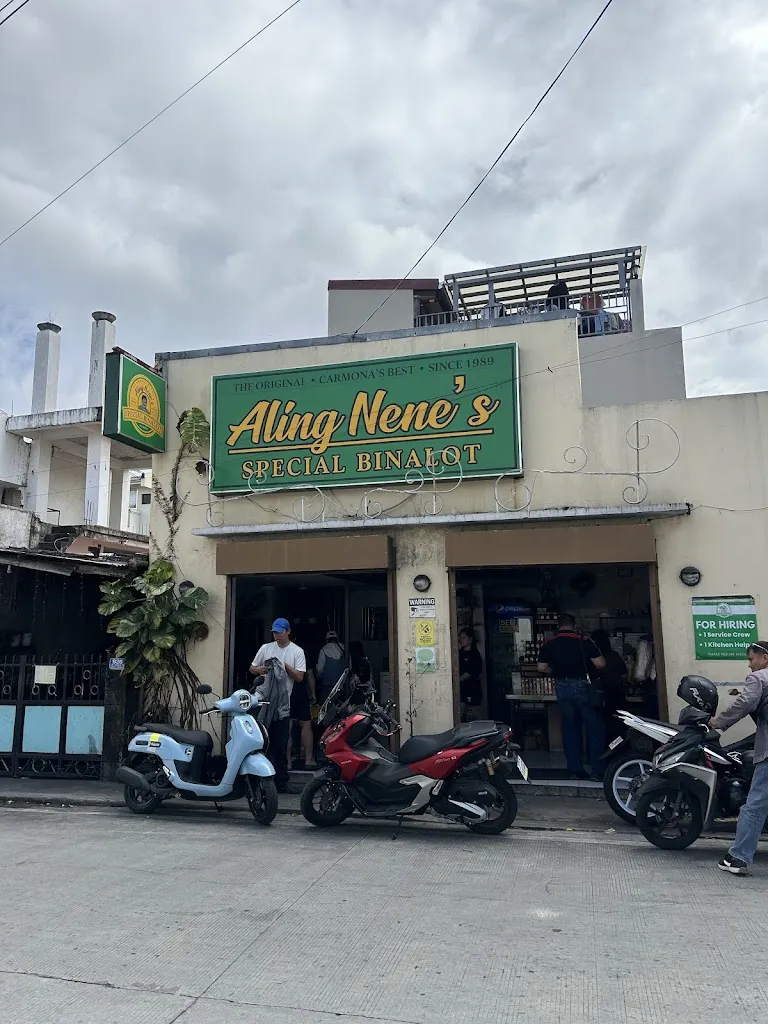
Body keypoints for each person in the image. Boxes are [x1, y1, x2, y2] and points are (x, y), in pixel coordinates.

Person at [711, 641, 768, 875]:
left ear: (765, 658)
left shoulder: (759, 678)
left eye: (751, 658)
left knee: (754, 805)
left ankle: (738, 857)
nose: (749, 664)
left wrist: (719, 722)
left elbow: (745, 703)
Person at [537, 614, 606, 781]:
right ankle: (598, 771)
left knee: (569, 728)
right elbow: (601, 664)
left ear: (558, 626)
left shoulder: (549, 643)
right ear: (573, 625)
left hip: (561, 687)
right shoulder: (584, 641)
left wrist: (555, 671)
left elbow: (541, 667)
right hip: (582, 686)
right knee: (594, 729)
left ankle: (575, 769)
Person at [249, 617, 306, 793]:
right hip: (263, 701)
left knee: (280, 743)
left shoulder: (297, 651)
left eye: (280, 632)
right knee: (260, 741)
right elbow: (252, 668)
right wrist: (261, 670)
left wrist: (284, 667)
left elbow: (299, 677)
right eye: (275, 632)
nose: (277, 635)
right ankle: (256, 780)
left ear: (288, 632)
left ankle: (280, 780)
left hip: (282, 705)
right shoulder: (266, 648)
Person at [591, 630, 628, 742]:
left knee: (602, 727)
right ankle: (620, 751)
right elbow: (624, 674)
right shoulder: (614, 656)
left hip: (600, 696)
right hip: (617, 694)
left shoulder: (593, 660)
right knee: (618, 726)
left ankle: (606, 751)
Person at [458, 627, 483, 721]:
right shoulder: (459, 653)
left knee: (475, 715)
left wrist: (458, 679)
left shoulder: (474, 655)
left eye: (464, 637)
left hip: (473, 690)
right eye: (460, 637)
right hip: (461, 691)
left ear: (470, 639)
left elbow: (472, 671)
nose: (461, 640)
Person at [316, 630, 345, 704]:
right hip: (342, 684)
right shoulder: (343, 647)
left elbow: (319, 669)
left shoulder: (324, 649)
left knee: (326, 705)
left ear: (326, 639)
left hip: (328, 684)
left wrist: (319, 677)